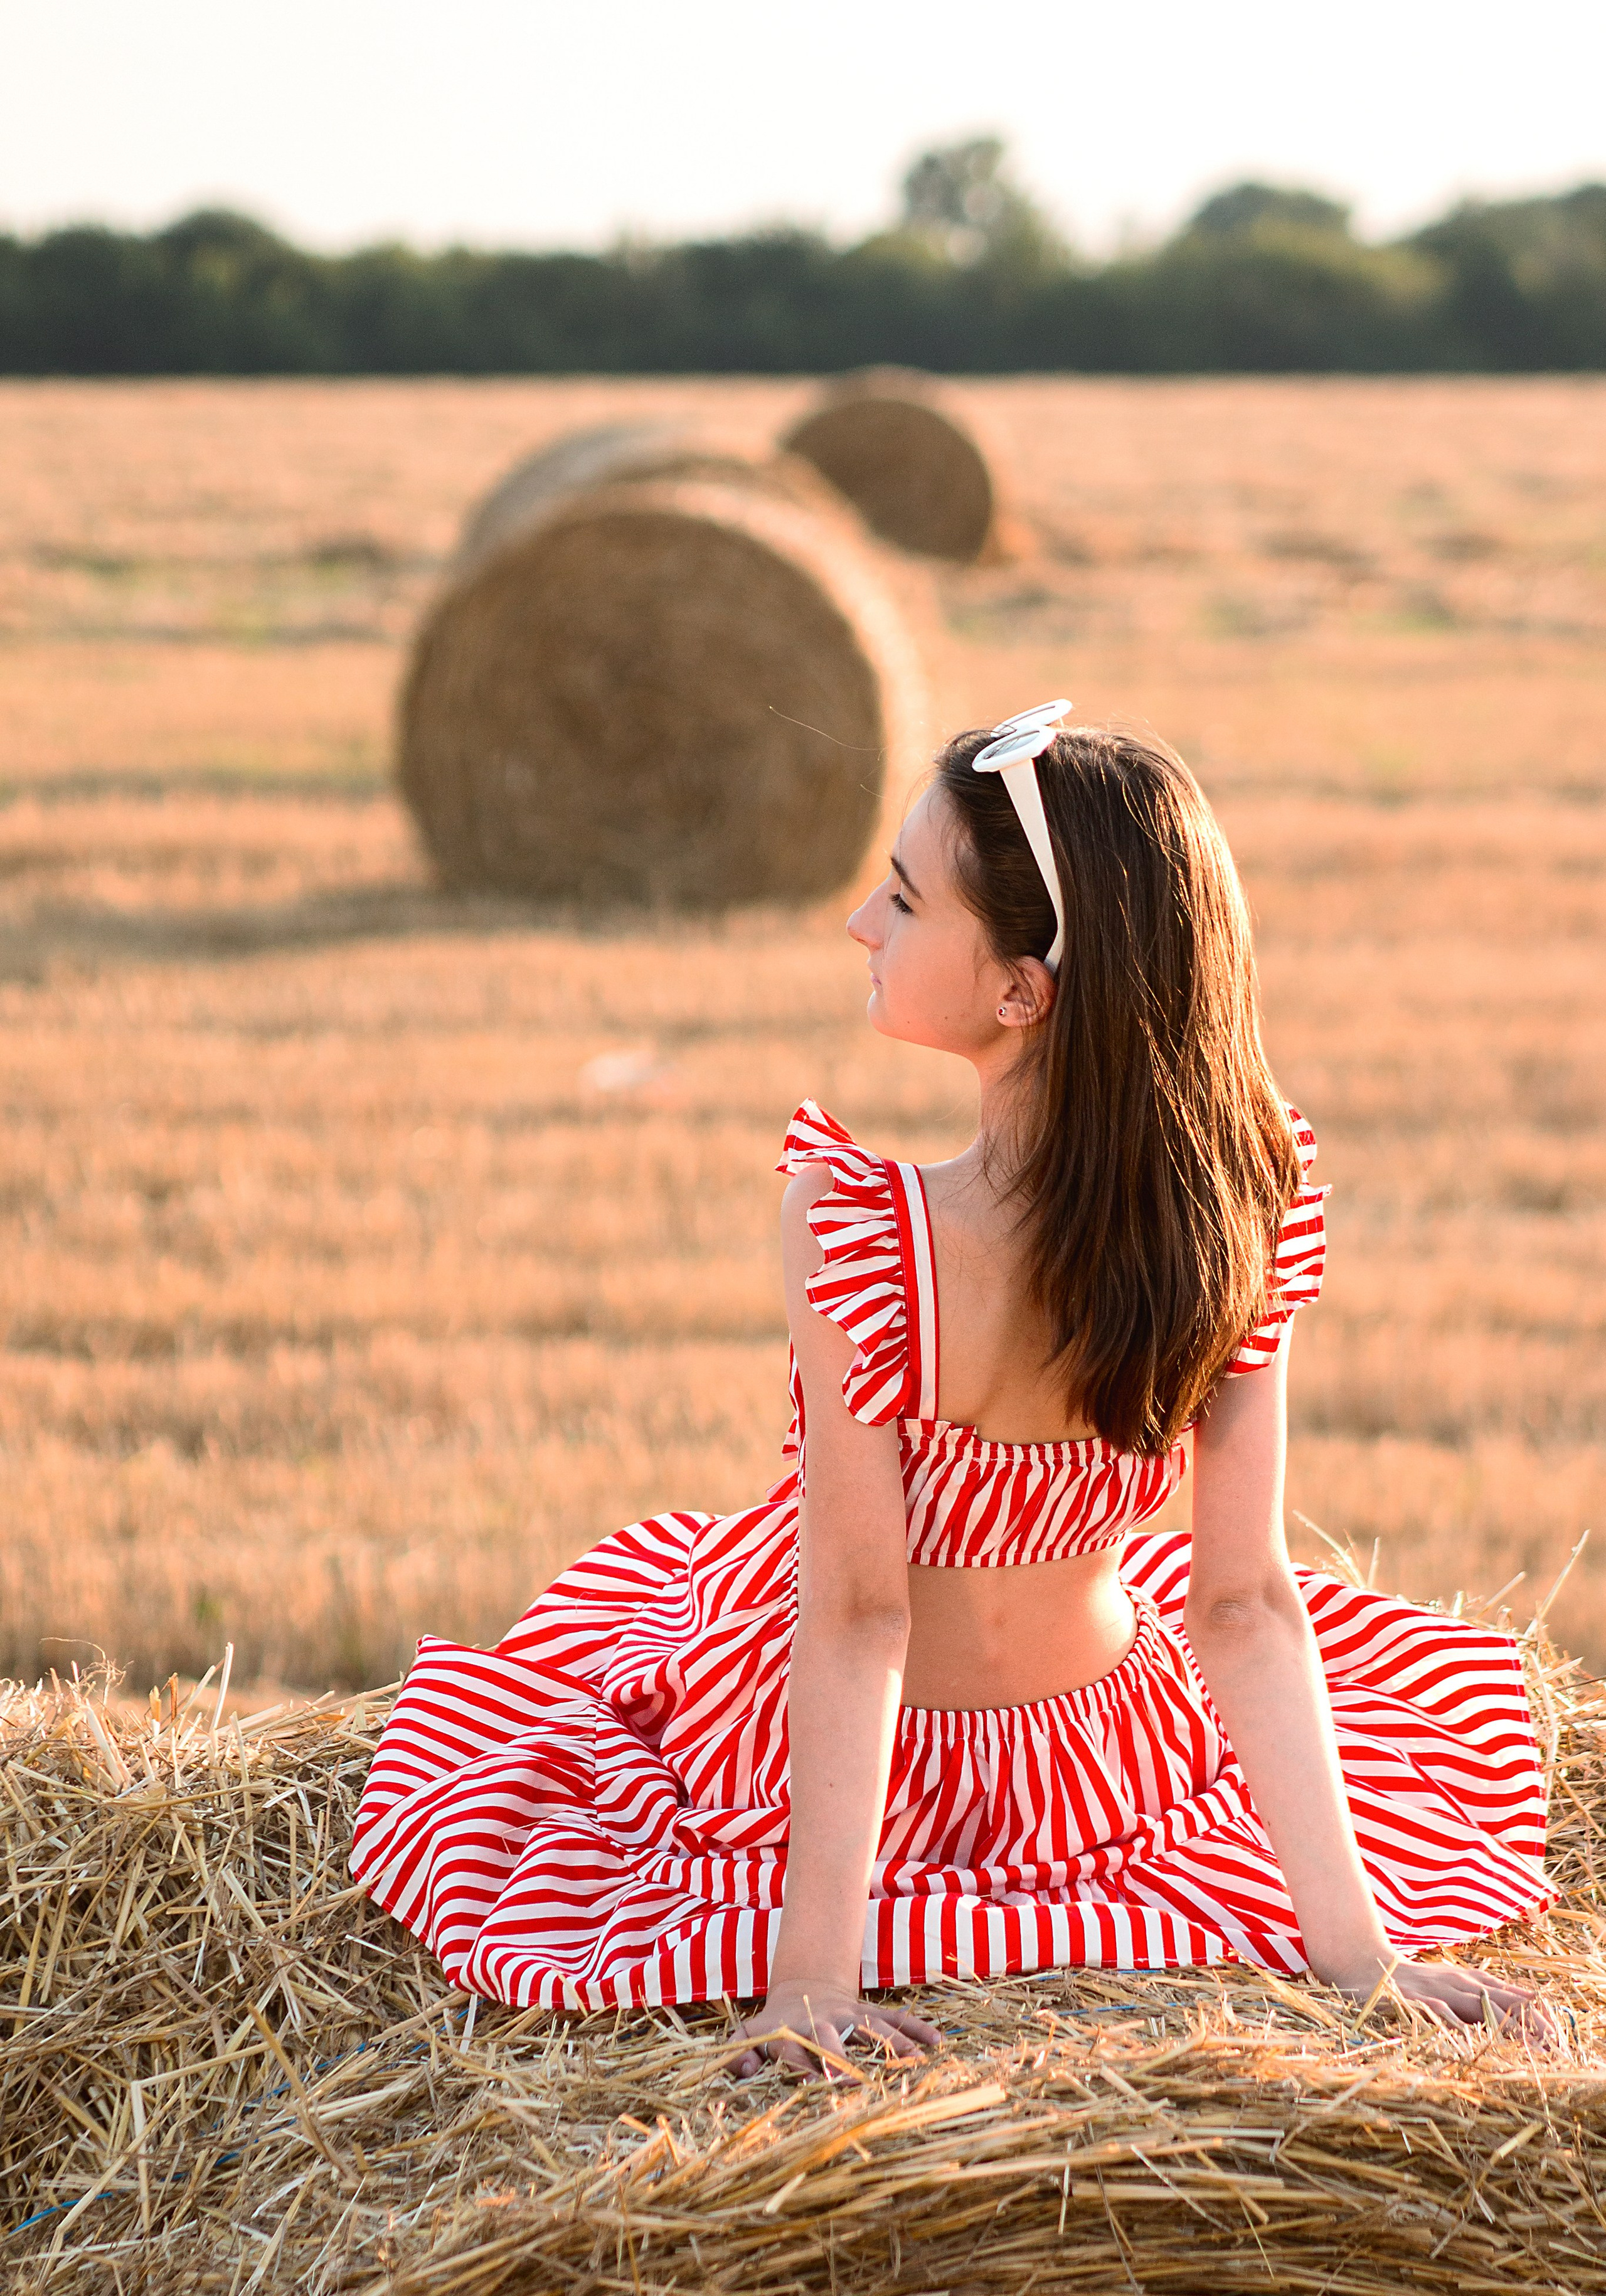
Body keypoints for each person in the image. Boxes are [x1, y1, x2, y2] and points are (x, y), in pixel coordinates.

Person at [351, 705, 1552, 2068]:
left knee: (642, 1627)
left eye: (906, 899)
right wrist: (1361, 1961)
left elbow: (859, 1613)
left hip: (858, 1766)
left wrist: (808, 1983)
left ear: (1020, 991)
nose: (860, 922)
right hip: (1104, 1772)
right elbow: (1242, 1605)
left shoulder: (858, 1232)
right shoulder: (1243, 1201)